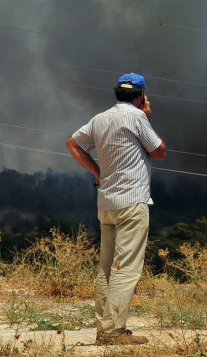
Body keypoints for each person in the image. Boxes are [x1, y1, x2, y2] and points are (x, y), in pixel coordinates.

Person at [65, 73, 166, 346]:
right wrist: (147, 116)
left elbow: (72, 143)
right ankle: (113, 332)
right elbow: (159, 151)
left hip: (107, 203)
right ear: (141, 95)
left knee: (107, 268)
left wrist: (97, 170)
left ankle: (103, 328)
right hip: (132, 202)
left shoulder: (99, 119)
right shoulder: (137, 117)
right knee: (127, 269)